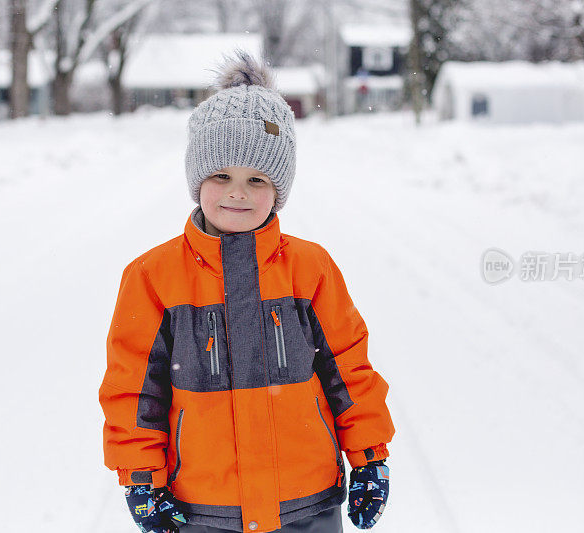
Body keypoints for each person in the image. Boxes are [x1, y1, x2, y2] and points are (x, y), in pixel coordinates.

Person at [99, 50, 395, 533]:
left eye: (256, 180)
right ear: (198, 181)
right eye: (222, 176)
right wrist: (141, 479)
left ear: (278, 190)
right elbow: (133, 388)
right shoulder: (153, 276)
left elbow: (349, 367)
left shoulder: (310, 267)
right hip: (201, 507)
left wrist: (368, 457)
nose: (238, 193)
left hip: (307, 504)